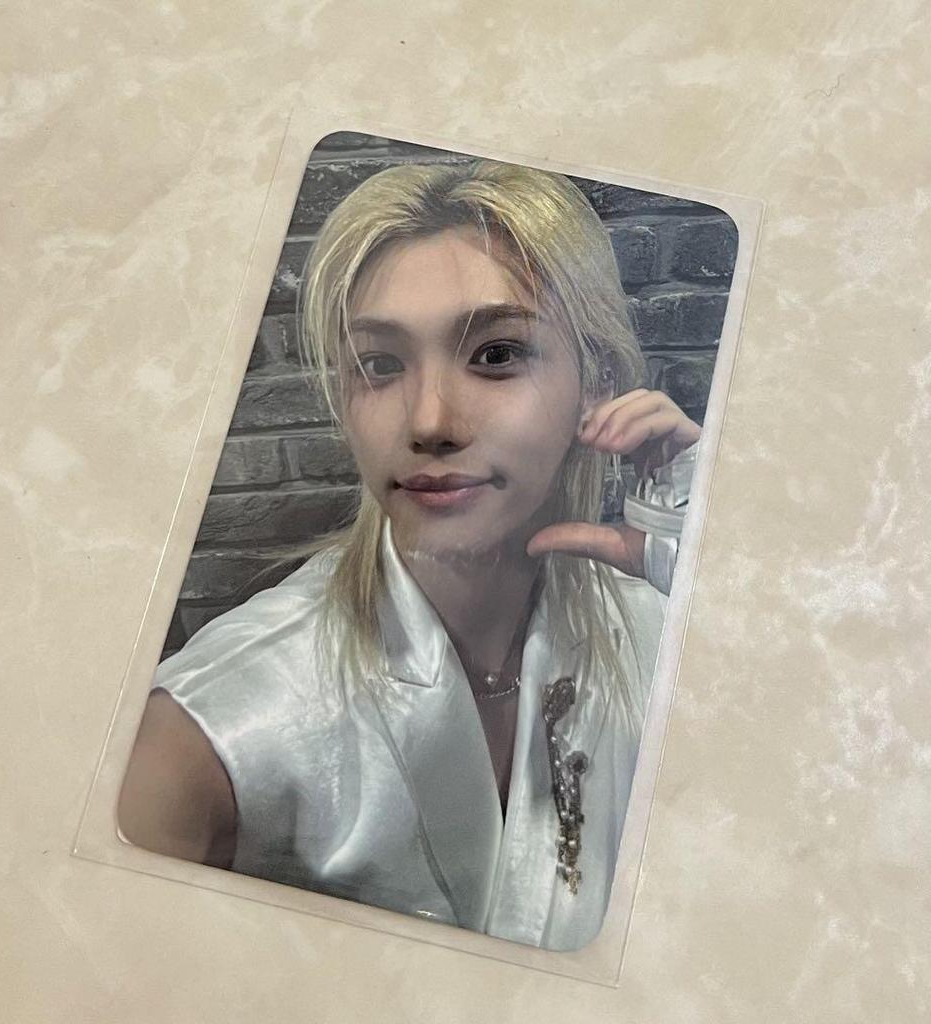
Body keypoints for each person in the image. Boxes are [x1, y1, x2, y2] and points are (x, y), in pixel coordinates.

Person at [118, 159, 702, 952]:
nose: (429, 422)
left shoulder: (655, 629)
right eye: (381, 364)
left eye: (496, 354)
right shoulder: (218, 729)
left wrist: (721, 588)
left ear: (594, 379)